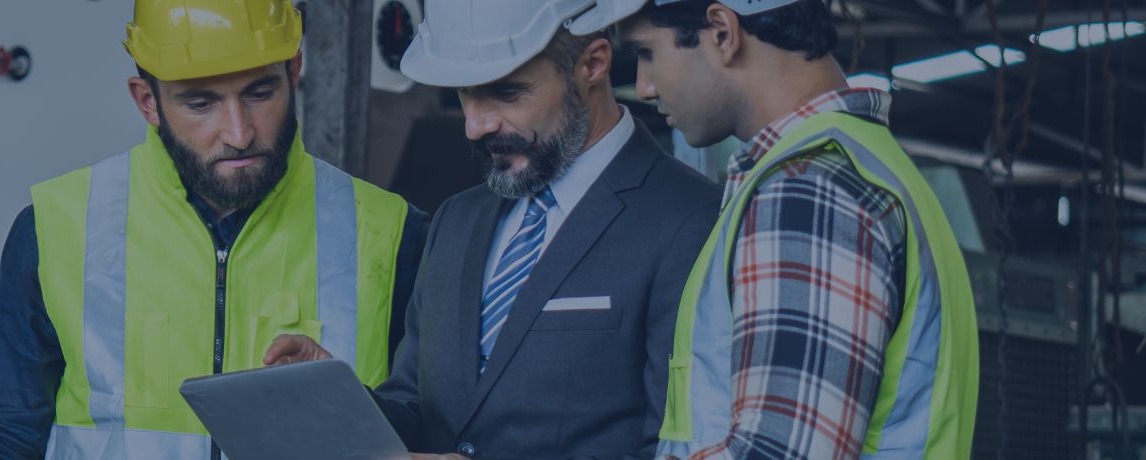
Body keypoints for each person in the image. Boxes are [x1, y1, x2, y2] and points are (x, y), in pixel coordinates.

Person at [0, 1, 429, 458]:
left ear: (294, 72)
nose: (239, 133)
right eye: (201, 103)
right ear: (147, 101)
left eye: (260, 92)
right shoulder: (55, 228)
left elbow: (432, 434)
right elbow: (1, 436)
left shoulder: (393, 233)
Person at [266, 0, 719, 458]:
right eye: (464, 93)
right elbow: (421, 410)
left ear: (593, 64)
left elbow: (676, 449)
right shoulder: (456, 222)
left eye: (506, 92)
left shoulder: (692, 222)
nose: (474, 125)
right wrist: (343, 401)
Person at [583, 0, 980, 457]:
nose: (644, 86)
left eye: (648, 52)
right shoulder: (861, 167)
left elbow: (779, 451)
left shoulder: (808, 191)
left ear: (721, 32)